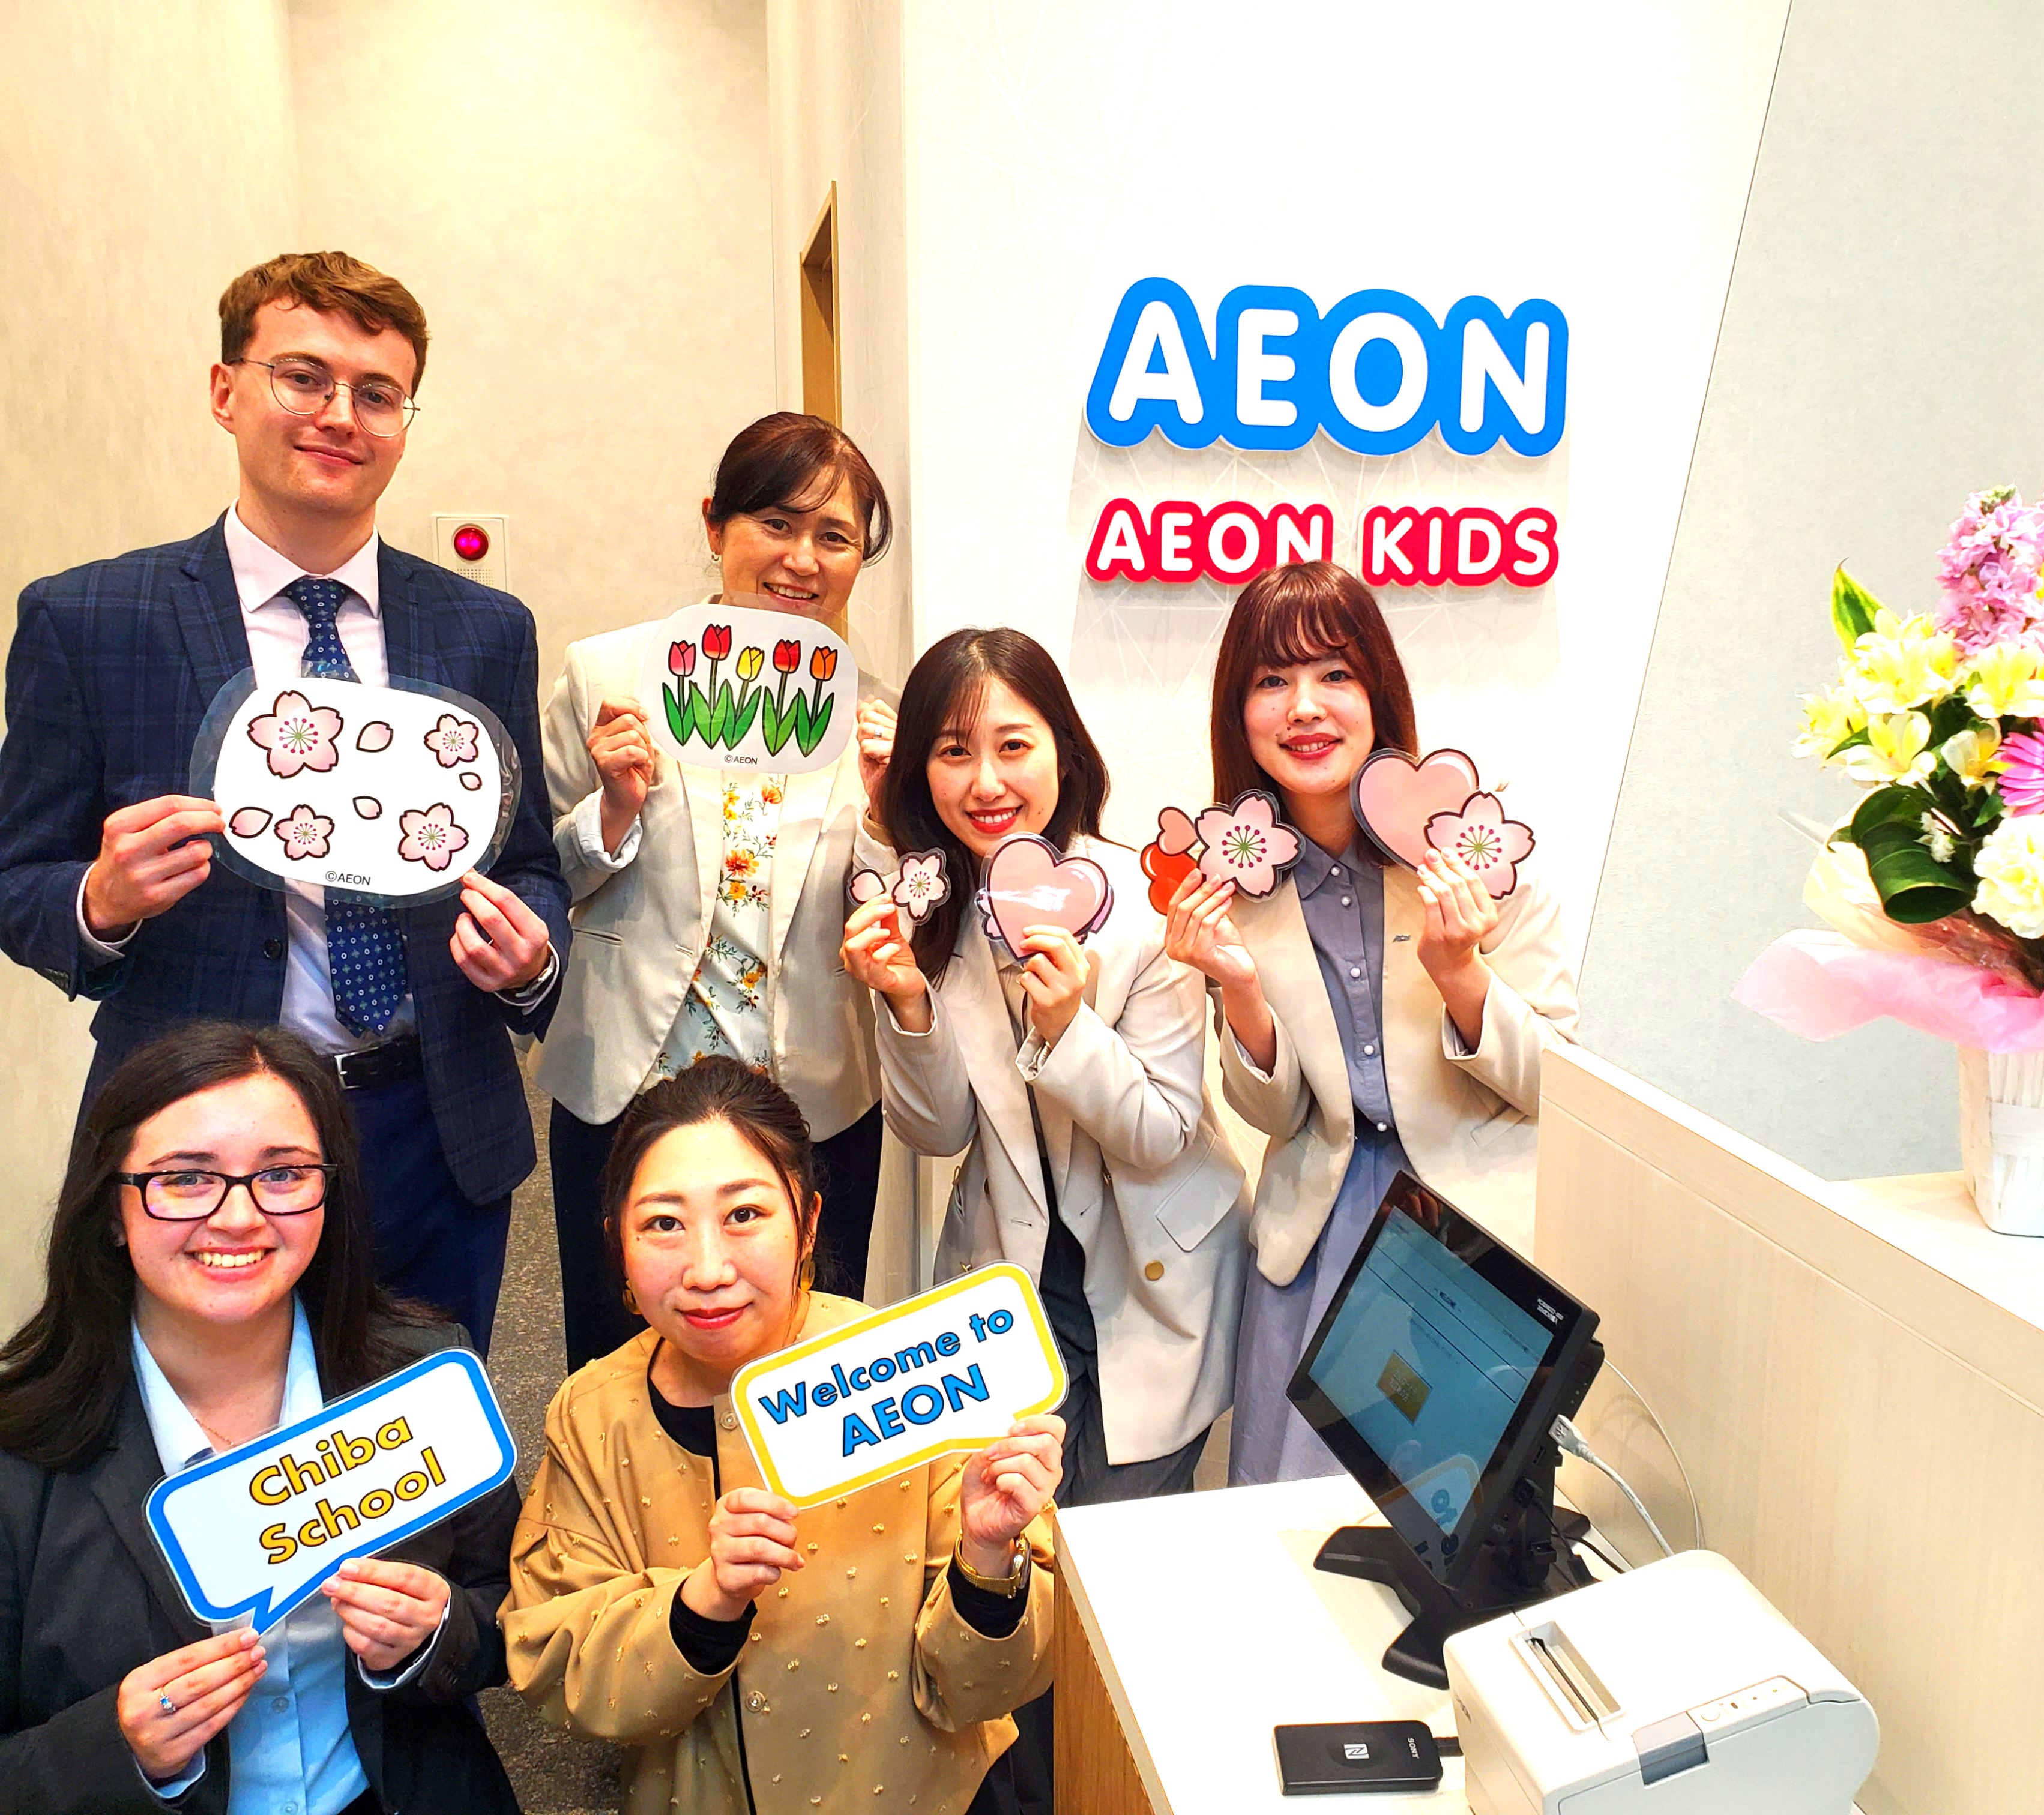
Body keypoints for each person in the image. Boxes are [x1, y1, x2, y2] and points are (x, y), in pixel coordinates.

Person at [0, 251, 570, 1351]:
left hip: (432, 1125)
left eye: (377, 393)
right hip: (198, 1140)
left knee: (424, 1431)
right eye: (303, 377)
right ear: (227, 391)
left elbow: (528, 859)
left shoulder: (485, 628)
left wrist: (529, 955)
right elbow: (17, 875)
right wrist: (102, 900)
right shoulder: (91, 619)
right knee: (215, 1432)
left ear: (404, 422)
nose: (340, 416)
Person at [841, 627, 1247, 1815]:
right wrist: (908, 1003)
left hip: (1156, 1283)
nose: (985, 780)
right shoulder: (934, 909)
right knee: (1006, 1566)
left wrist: (1070, 1029)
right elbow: (933, 1131)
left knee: (1117, 1589)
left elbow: (1161, 1131)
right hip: (1010, 1289)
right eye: (951, 751)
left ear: (1063, 749)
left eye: (1012, 744)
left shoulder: (1142, 905)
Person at [502, 1056, 1060, 1815]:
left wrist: (988, 1557)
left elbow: (988, 1687)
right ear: (616, 1244)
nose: (707, 1270)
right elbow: (551, 1658)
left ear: (809, 1223)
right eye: (663, 1224)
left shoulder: (918, 1372)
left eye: (744, 1215)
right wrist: (704, 1600)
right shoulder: (592, 1413)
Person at [0, 1021, 520, 1813]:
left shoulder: (420, 1380)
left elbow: (515, 1610)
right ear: (110, 1209)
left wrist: (440, 1631)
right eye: (185, 1178)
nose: (240, 1217)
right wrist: (115, 1747)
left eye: (282, 1173)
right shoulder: (18, 1454)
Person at [1160, 561, 1579, 1484]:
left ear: (1379, 691)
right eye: (1272, 681)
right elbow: (1275, 1118)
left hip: (1469, 1238)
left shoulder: (1476, 852)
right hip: (1318, 1239)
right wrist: (1238, 989)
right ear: (1238, 713)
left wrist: (1460, 973)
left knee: (1451, 1514)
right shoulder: (1238, 885)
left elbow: (1559, 1084)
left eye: (1334, 674)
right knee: (1288, 1520)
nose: (1304, 708)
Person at [537, 413, 897, 1368]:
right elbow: (543, 876)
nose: (802, 560)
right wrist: (613, 810)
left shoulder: (874, 717)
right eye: (776, 524)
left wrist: (887, 818)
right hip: (627, 1084)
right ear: (716, 525)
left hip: (809, 1097)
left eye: (834, 537)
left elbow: (893, 915)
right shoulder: (607, 675)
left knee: (802, 1367)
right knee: (620, 1364)